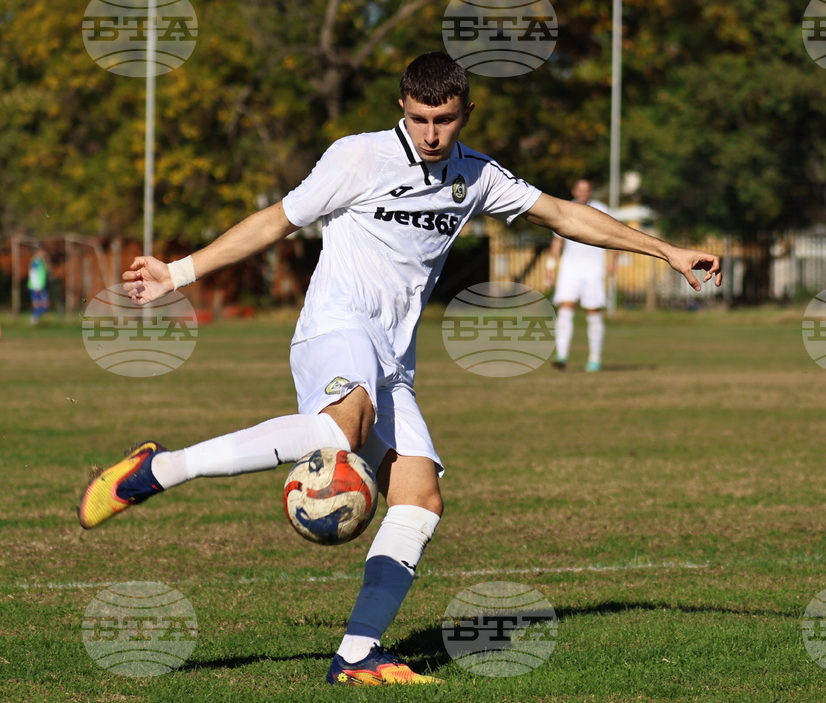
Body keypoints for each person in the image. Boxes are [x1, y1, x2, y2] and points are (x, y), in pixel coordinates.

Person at [78, 52, 722, 686]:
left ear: (466, 111)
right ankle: (156, 470)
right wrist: (179, 273)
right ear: (402, 109)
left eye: (444, 120)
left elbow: (563, 214)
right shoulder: (357, 156)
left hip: (394, 357)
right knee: (342, 432)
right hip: (335, 328)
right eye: (419, 119)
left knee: (419, 497)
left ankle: (357, 656)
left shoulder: (477, 174)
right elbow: (278, 220)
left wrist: (664, 250)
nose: (432, 134)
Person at [544, 179, 616, 372]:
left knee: (593, 312)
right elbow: (557, 242)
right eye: (580, 189)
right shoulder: (565, 208)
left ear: (591, 192)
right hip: (570, 269)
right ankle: (561, 355)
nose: (584, 193)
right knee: (565, 310)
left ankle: (594, 359)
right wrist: (551, 266)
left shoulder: (602, 209)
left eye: (587, 190)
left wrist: (613, 262)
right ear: (574, 190)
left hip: (593, 269)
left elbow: (615, 236)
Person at [27, 247, 50, 326]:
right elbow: (33, 273)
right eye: (42, 252)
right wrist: (36, 285)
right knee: (37, 303)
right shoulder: (35, 261)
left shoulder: (41, 261)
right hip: (35, 286)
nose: (43, 254)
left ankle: (35, 318)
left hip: (41, 286)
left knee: (45, 304)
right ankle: (34, 319)